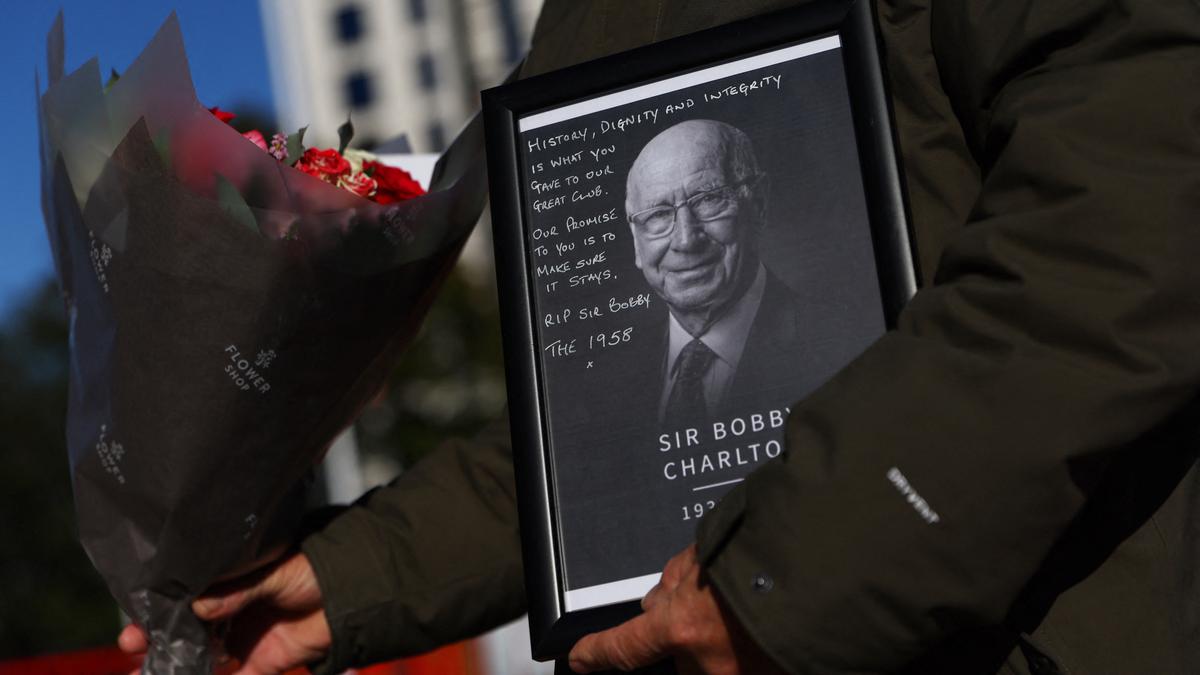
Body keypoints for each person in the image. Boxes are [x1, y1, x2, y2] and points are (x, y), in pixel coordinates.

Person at [120, 1, 1200, 674]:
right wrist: (340, 584)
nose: (679, 242)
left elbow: (1139, 204)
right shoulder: (582, 25)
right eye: (650, 219)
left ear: (759, 198)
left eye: (707, 205)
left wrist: (788, 585)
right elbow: (594, 447)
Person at [622, 119, 848, 428]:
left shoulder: (840, 347)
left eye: (708, 199)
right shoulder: (605, 382)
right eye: (659, 215)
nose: (686, 240)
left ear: (758, 205)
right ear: (637, 241)